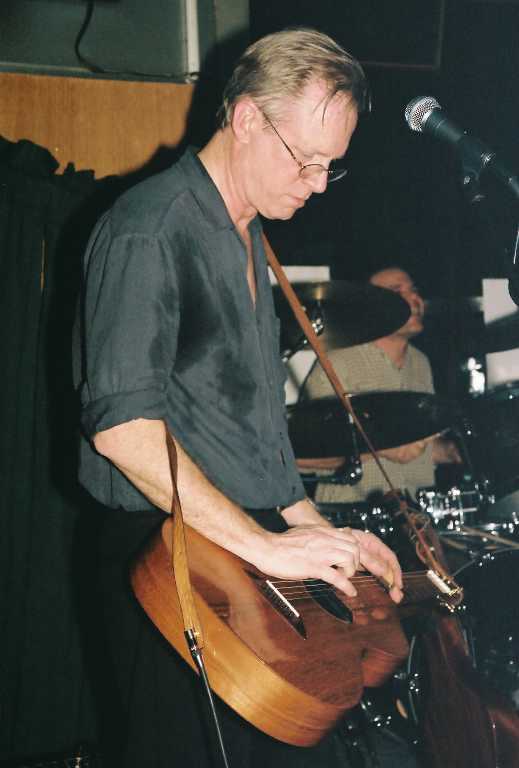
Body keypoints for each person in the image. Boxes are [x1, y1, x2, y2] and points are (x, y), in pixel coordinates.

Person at [73, 28, 404, 768]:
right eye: (306, 160)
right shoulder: (149, 228)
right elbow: (123, 429)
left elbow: (246, 430)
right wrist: (266, 546)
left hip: (237, 551)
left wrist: (316, 528)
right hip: (163, 557)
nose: (318, 184)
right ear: (248, 118)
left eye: (331, 166)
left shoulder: (248, 233)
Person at [300, 267, 461, 505]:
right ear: (370, 307)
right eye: (397, 292)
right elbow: (302, 455)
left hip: (415, 516)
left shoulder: (421, 363)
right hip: (353, 516)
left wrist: (449, 451)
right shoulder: (338, 362)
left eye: (414, 290)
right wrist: (383, 447)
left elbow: (412, 452)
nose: (414, 298)